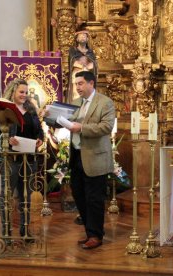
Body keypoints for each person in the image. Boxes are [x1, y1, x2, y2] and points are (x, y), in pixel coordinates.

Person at [0, 78, 44, 239]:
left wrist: (40, 138)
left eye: (26, 92)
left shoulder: (31, 109)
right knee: (7, 195)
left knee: (25, 196)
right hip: (9, 159)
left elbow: (39, 131)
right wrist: (6, 138)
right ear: (13, 91)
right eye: (21, 92)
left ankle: (25, 230)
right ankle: (6, 231)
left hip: (28, 159)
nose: (24, 95)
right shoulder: (1, 110)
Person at [68, 71, 115, 249]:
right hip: (77, 156)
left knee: (94, 199)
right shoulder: (75, 103)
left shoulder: (105, 102)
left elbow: (106, 126)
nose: (77, 87)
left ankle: (96, 235)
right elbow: (65, 120)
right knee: (79, 196)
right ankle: (90, 232)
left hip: (95, 157)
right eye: (76, 84)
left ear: (91, 83)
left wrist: (81, 128)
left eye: (80, 83)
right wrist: (51, 116)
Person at [68, 27, 98, 102]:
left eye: (84, 36)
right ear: (77, 39)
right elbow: (72, 61)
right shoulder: (73, 50)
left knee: (87, 92)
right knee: (77, 93)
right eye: (80, 36)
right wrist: (81, 66)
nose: (82, 38)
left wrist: (89, 66)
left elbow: (94, 63)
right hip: (77, 73)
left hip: (87, 74)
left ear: (87, 39)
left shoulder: (90, 52)